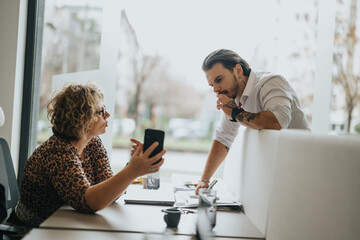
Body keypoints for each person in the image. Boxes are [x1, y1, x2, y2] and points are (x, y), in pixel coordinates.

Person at [11, 83, 166, 227]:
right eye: (102, 111)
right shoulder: (57, 151)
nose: (108, 115)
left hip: (66, 223)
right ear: (82, 117)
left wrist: (132, 166)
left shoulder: (92, 143)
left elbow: (109, 191)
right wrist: (132, 170)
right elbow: (88, 202)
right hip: (34, 230)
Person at [195, 49, 310, 194]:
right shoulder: (232, 98)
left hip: (302, 168)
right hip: (275, 171)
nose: (216, 90)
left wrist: (235, 112)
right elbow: (223, 138)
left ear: (238, 70)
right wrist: (204, 181)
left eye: (219, 79)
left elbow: (277, 123)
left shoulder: (271, 82)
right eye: (212, 85)